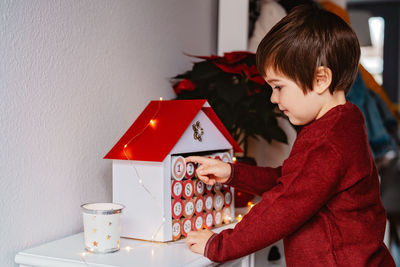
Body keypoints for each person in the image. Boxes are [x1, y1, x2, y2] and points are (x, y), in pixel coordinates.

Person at [185, 4, 395, 266]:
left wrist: (218, 245)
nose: (274, 98)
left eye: (279, 86)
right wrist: (233, 174)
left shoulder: (328, 140)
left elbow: (283, 206)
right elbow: (289, 180)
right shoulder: (342, 124)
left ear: (320, 79)